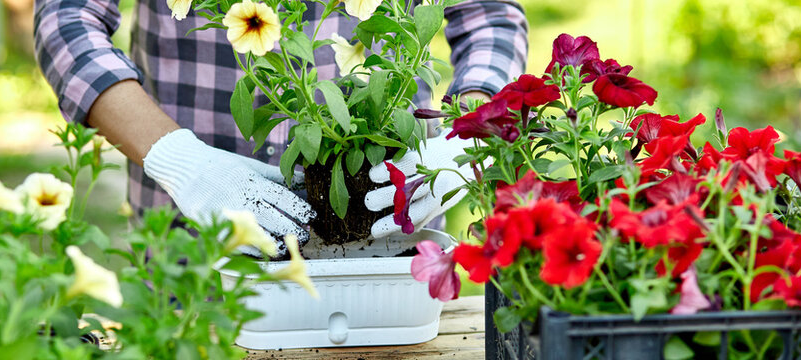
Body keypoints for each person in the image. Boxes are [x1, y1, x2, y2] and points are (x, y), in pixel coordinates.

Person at [34, 0, 528, 257]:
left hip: (386, 234)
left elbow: (489, 19)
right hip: (195, 231)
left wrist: (463, 142)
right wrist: (179, 161)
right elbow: (65, 19)